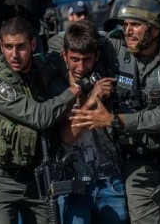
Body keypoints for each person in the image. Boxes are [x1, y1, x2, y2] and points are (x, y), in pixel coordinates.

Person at [69, 0, 160, 223]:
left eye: (135, 25)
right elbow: (71, 41)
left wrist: (114, 120)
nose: (128, 31)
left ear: (154, 29)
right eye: (125, 24)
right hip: (137, 164)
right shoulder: (115, 46)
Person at [0, 16, 83, 223]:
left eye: (21, 47)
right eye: (8, 47)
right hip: (0, 181)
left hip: (37, 180)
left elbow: (71, 50)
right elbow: (39, 116)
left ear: (33, 44)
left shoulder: (42, 68)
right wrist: (76, 89)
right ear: (0, 45)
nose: (14, 55)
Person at [54, 20, 129, 224]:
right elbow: (66, 136)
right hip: (72, 185)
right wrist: (92, 99)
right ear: (64, 56)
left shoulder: (107, 81)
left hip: (110, 182)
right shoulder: (57, 88)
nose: (80, 66)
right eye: (74, 59)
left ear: (96, 55)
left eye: (86, 59)